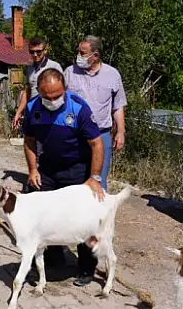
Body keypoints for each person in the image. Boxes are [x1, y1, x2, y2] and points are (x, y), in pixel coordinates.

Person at [21, 68, 106, 287]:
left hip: (76, 169)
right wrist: (32, 170)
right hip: (47, 168)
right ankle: (53, 257)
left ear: (65, 89)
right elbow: (29, 141)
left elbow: (97, 143)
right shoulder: (32, 108)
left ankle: (87, 268)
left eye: (57, 96)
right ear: (38, 91)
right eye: (46, 96)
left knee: (82, 219)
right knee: (40, 210)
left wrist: (94, 177)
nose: (51, 101)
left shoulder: (79, 108)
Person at [64, 35, 127, 190]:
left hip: (101, 134)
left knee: (98, 182)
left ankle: (99, 214)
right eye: (78, 51)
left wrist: (121, 132)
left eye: (83, 53)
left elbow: (118, 106)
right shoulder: (69, 73)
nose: (78, 56)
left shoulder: (112, 75)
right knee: (73, 180)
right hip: (74, 135)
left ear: (96, 56)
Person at [12, 37, 63, 131]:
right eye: (32, 52)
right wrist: (18, 113)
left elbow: (62, 92)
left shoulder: (54, 66)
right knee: (32, 141)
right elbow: (27, 91)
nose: (35, 55)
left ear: (45, 50)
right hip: (34, 111)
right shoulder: (29, 69)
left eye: (38, 51)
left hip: (51, 112)